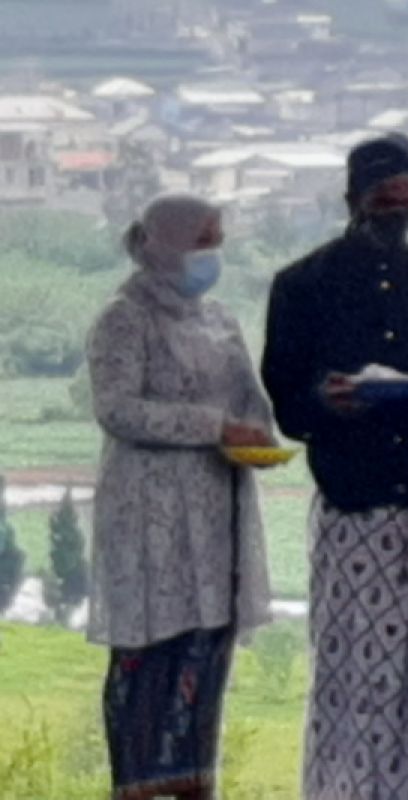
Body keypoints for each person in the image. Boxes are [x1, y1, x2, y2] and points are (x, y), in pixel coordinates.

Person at [261, 133, 408, 800]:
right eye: (386, 199)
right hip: (357, 507)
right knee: (361, 679)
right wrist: (328, 400)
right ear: (353, 198)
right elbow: (288, 401)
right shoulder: (303, 285)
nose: (399, 211)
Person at [86, 193, 274, 800]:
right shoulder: (124, 318)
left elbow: (247, 399)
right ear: (165, 245)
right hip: (150, 520)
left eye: (217, 240)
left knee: (203, 651)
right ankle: (139, 786)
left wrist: (254, 430)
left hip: (217, 512)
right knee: (148, 656)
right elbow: (116, 408)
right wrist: (210, 427)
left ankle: (194, 782)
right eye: (202, 242)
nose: (211, 255)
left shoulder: (219, 319)